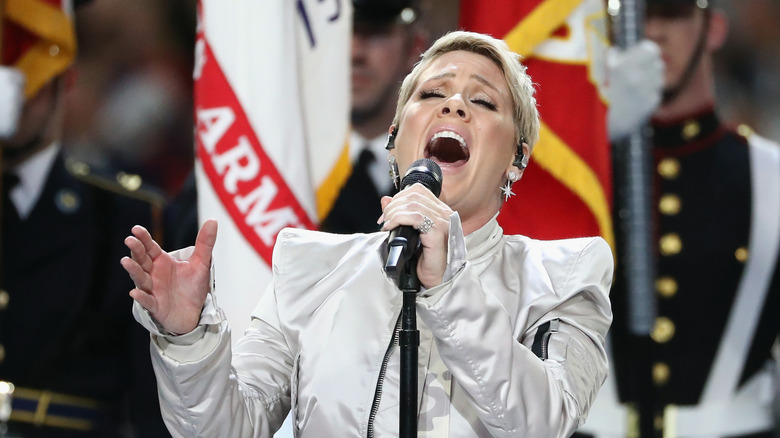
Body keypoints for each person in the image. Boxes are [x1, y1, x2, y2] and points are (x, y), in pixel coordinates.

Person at [123, 30, 614, 437]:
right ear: (396, 141)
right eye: (432, 94)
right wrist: (189, 339)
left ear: (517, 160)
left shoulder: (565, 276)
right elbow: (229, 429)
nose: (455, 106)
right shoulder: (308, 267)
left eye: (483, 100)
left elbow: (543, 423)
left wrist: (447, 284)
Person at [575, 0, 780, 436]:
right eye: (635, 17)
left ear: (715, 28)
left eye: (674, 13)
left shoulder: (770, 176)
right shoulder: (579, 177)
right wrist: (594, 131)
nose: (654, 33)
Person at [0, 0, 170, 436]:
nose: (14, 99)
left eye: (31, 80)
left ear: (67, 83)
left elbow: (151, 398)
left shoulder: (120, 214)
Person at [320, 0, 428, 233]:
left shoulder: (443, 169)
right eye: (340, 33)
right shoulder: (291, 167)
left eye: (375, 33)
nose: (355, 53)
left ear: (414, 49)